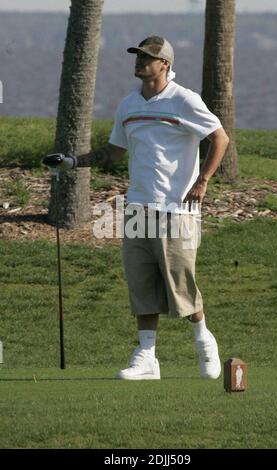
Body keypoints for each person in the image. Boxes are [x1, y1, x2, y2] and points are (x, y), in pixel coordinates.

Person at [43, 36, 229, 381]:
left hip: (177, 209)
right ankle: (146, 359)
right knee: (141, 285)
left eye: (149, 57)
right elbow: (113, 151)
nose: (141, 61)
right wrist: (70, 162)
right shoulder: (128, 104)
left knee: (180, 285)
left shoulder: (184, 100)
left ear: (165, 65)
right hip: (138, 208)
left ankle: (205, 343)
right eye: (138, 56)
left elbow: (220, 137)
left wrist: (203, 181)